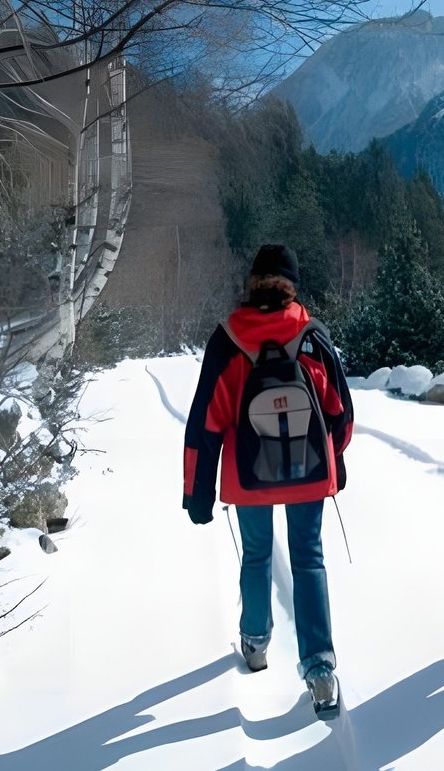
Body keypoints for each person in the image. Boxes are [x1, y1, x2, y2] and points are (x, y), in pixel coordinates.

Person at [183, 245, 354, 719]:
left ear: (253, 282)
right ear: (292, 284)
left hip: (248, 479)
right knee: (309, 560)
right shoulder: (312, 335)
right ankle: (320, 671)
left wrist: (196, 493)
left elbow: (204, 424)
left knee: (257, 555)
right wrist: (335, 464)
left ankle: (255, 642)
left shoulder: (228, 339)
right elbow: (341, 412)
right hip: (307, 475)